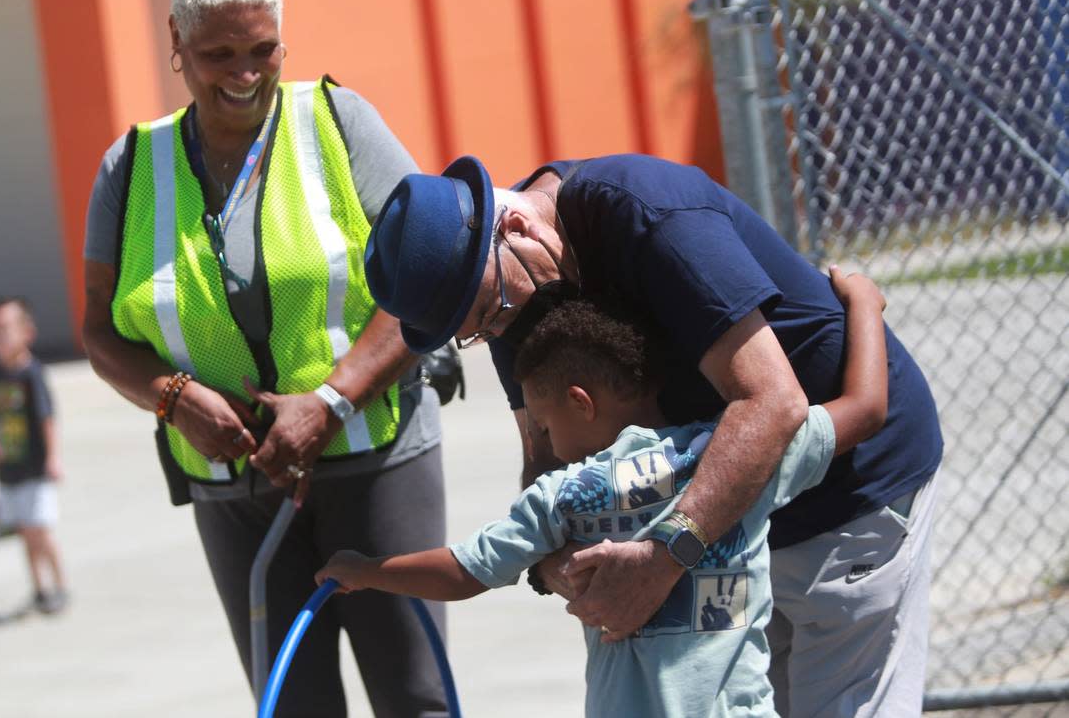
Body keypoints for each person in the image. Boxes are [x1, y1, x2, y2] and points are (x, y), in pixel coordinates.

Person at [365, 154, 944, 717]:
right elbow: (542, 463)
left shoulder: (650, 213)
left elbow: (774, 403)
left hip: (845, 495)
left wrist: (663, 556)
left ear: (515, 226)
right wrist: (557, 567)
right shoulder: (506, 289)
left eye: (495, 311)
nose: (502, 331)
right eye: (481, 332)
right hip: (726, 535)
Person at [80, 0, 447, 715]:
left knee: (415, 696)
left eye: (264, 49)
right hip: (235, 489)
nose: (245, 73)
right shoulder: (130, 166)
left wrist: (331, 400)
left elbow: (433, 275)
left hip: (375, 461)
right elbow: (96, 329)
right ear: (176, 42)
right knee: (293, 704)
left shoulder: (339, 122)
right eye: (220, 54)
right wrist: (175, 397)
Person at [316, 266, 889, 718]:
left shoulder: (564, 495)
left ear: (581, 402)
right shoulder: (734, 459)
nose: (543, 442)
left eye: (544, 423)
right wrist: (864, 303)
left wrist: (366, 570)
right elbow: (865, 410)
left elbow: (465, 572)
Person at [0, 297, 67, 614]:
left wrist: (53, 458)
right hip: (10, 465)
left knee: (40, 531)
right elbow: (0, 417)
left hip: (35, 466)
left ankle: (60, 585)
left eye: (6, 328)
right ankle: (39, 589)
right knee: (24, 531)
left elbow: (47, 418)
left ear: (27, 332)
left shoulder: (32, 373)